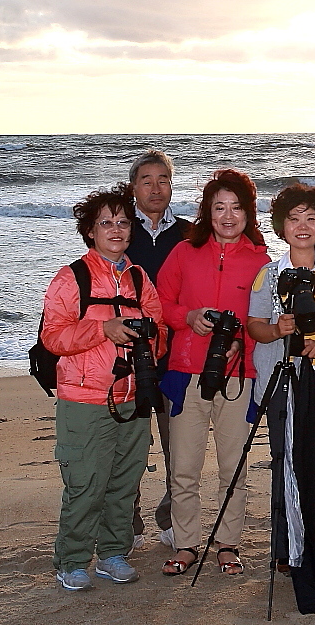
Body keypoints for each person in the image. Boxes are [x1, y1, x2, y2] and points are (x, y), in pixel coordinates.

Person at [40, 186, 165, 591]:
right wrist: (103, 329)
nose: (116, 229)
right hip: (84, 400)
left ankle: (113, 554)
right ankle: (72, 561)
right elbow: (52, 337)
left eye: (123, 222)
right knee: (85, 485)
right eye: (106, 223)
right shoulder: (71, 277)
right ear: (90, 231)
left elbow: (160, 329)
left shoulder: (139, 278)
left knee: (124, 484)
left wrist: (149, 341)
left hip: (132, 396)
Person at [246, 183, 315, 613]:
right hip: (285, 376)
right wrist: (278, 330)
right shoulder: (269, 274)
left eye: (311, 218)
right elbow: (255, 325)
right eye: (294, 218)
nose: (303, 226)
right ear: (282, 226)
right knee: (287, 461)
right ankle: (286, 548)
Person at [155, 169, 270, 576]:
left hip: (238, 376)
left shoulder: (261, 262)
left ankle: (227, 544)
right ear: (207, 211)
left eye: (236, 208)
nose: (228, 216)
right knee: (184, 467)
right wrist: (188, 317)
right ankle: (186, 543)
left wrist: (242, 343)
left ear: (248, 213)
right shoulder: (184, 252)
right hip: (186, 371)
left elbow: (265, 320)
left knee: (232, 466)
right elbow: (159, 303)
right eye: (219, 207)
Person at [124, 150, 191, 543]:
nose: (155, 188)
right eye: (146, 180)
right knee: (129, 444)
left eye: (162, 179)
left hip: (176, 353)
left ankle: (170, 517)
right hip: (127, 354)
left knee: (177, 444)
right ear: (133, 187)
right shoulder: (119, 229)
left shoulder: (188, 234)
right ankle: (127, 522)